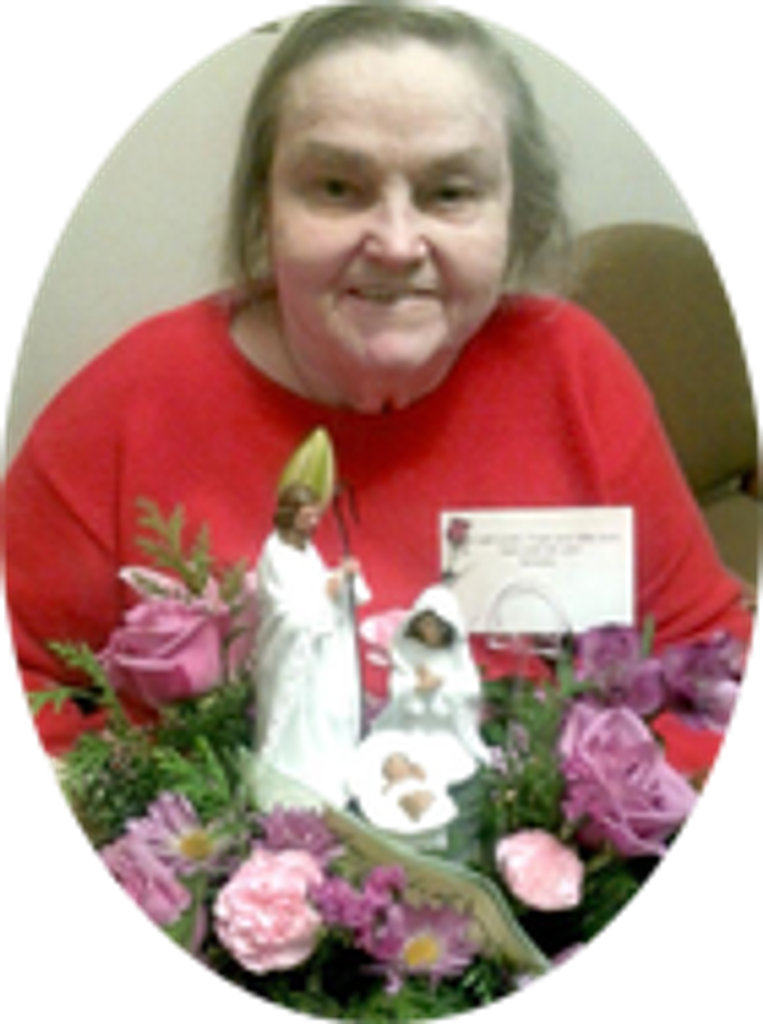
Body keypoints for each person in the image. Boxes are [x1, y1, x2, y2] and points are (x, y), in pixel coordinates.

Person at [1, 1, 754, 791]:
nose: (396, 244)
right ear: (265, 207)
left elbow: (705, 662)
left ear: (514, 215)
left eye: (450, 192)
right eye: (336, 187)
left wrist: (603, 826)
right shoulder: (132, 400)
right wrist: (146, 817)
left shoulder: (573, 371)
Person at [251, 480, 369, 810]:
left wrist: (341, 578)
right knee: (297, 724)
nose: (314, 523)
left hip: (319, 655)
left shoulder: (307, 549)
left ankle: (326, 774)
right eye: (307, 516)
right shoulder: (275, 553)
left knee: (325, 714)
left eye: (316, 516)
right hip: (294, 658)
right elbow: (285, 611)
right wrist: (326, 593)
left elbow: (315, 585)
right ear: (290, 515)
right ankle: (292, 778)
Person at [370, 584, 493, 775]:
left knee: (448, 765)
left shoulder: (456, 657)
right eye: (426, 624)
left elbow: (470, 690)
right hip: (410, 729)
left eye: (436, 626)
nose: (430, 631)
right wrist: (415, 688)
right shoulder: (407, 651)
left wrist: (440, 686)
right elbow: (397, 685)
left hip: (443, 733)